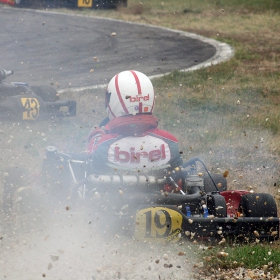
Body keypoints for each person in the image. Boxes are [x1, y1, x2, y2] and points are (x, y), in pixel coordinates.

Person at [87, 70, 183, 178]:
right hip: (163, 193)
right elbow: (179, 175)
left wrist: (95, 135)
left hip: (115, 192)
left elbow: (90, 164)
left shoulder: (104, 144)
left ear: (113, 101)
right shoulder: (169, 142)